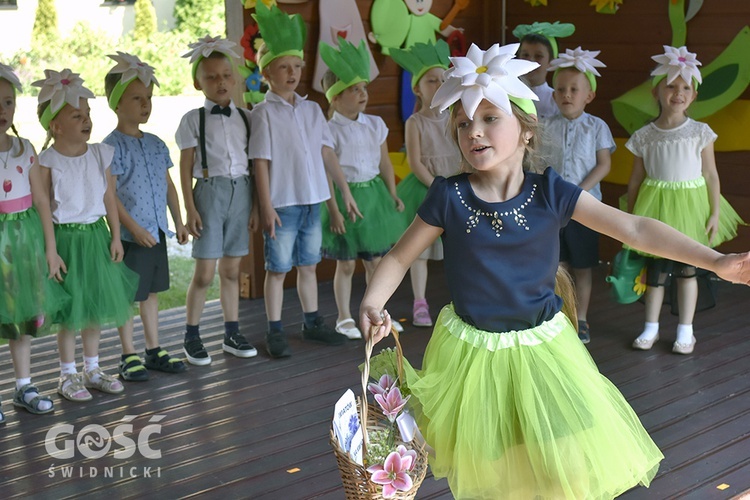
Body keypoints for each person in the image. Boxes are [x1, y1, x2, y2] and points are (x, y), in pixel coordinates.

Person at [360, 43, 750, 499]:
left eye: (489, 118)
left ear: (526, 131)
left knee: (560, 461)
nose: (473, 131)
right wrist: (372, 302)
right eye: (463, 123)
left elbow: (636, 228)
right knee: (493, 465)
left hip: (543, 352)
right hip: (472, 355)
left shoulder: (549, 192)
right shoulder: (449, 196)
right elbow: (398, 258)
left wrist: (717, 260)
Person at [249, 3, 362, 358]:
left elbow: (327, 154)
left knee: (309, 265)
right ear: (267, 72)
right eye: (283, 67)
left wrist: (343, 192)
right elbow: (261, 163)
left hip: (313, 201)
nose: (292, 73)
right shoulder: (263, 113)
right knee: (278, 268)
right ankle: (274, 330)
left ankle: (312, 323)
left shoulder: (313, 109)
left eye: (296, 66)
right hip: (282, 204)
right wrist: (266, 206)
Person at [626, 46, 744, 355]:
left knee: (687, 269)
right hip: (656, 209)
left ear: (693, 96)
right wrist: (631, 214)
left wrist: (715, 212)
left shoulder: (699, 133)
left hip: (691, 209)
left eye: (685, 88)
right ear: (656, 91)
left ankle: (685, 331)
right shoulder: (644, 135)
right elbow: (636, 179)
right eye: (671, 85)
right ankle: (650, 327)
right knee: (655, 272)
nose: (678, 92)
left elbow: (712, 175)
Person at [34, 68, 139, 402]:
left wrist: (116, 236)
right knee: (68, 313)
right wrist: (51, 250)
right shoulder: (47, 162)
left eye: (88, 114)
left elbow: (110, 198)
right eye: (77, 115)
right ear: (56, 125)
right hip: (66, 241)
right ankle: (67, 375)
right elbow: (44, 211)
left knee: (92, 307)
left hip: (95, 238)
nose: (87, 121)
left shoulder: (99, 154)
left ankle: (92, 369)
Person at [103, 53, 189, 381]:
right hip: (131, 236)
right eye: (137, 98)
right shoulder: (112, 147)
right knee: (129, 295)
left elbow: (168, 185)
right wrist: (132, 228)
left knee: (151, 293)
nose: (145, 105)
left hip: (156, 233)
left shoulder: (155, 143)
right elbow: (109, 194)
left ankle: (153, 349)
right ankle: (128, 354)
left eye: (149, 98)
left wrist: (178, 221)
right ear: (116, 104)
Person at [176, 36, 257, 366]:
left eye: (225, 75)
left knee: (232, 271)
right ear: (198, 82)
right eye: (211, 77)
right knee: (205, 273)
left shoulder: (247, 118)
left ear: (235, 77)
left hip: (242, 192)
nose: (220, 82)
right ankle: (191, 335)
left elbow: (253, 164)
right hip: (209, 192)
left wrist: (253, 207)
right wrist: (189, 208)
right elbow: (184, 166)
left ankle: (231, 332)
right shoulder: (192, 119)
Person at [318, 38, 406, 340]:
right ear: (335, 98)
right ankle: (344, 317)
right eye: (354, 89)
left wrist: (392, 193)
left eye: (363, 88)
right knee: (345, 263)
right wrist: (334, 209)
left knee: (376, 262)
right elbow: (327, 173)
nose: (362, 94)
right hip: (346, 199)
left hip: (374, 197)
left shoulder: (376, 124)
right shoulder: (328, 130)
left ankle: (378, 314)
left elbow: (384, 164)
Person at [0, 64, 68, 421]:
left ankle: (23, 384)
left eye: (7, 102)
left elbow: (42, 200)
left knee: (21, 314)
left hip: (23, 241)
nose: (1, 109)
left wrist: (50, 248)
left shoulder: (25, 150)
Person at [543, 47, 614, 343]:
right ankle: (559, 315)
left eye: (574, 89)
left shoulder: (596, 127)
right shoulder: (546, 127)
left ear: (589, 96)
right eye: (560, 89)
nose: (566, 94)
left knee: (583, 266)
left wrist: (578, 192)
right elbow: (539, 165)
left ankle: (581, 318)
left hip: (586, 209)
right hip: (552, 210)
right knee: (556, 265)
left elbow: (604, 164)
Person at [389, 40, 461, 328]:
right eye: (431, 80)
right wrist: (436, 185)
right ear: (418, 88)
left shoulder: (456, 117)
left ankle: (461, 298)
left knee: (459, 245)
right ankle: (420, 302)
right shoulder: (415, 122)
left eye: (443, 79)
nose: (438, 84)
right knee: (419, 251)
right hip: (428, 188)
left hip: (455, 187)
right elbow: (416, 161)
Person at [513, 21, 575, 119]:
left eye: (538, 56)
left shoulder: (557, 101)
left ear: (551, 61)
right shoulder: (510, 94)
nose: (530, 61)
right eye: (525, 55)